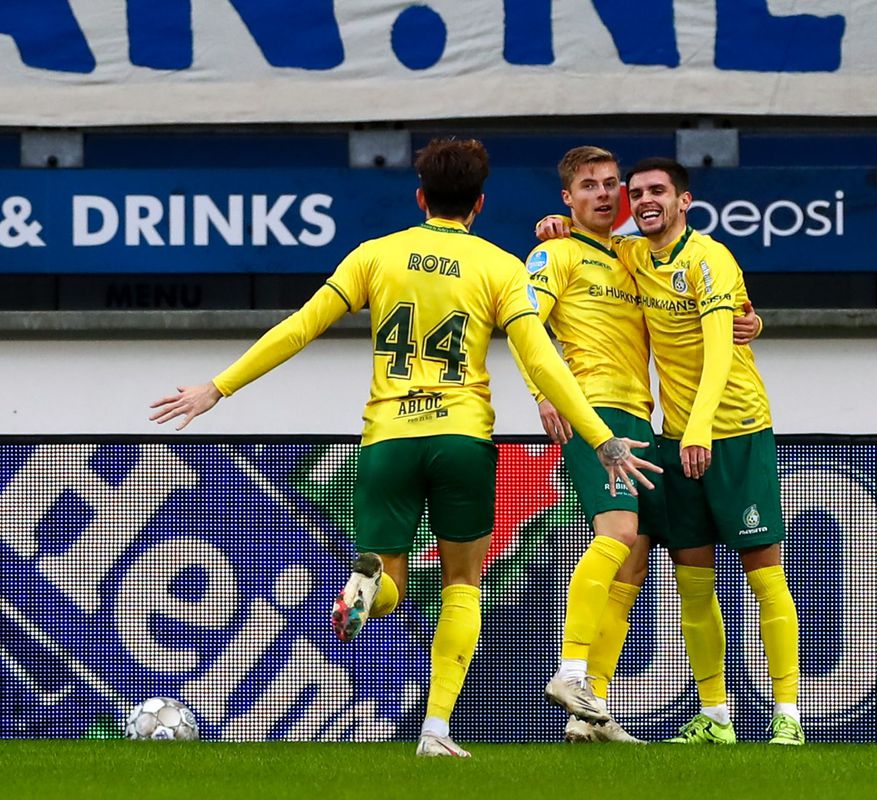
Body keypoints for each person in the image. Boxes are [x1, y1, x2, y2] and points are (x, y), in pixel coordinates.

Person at [149, 139, 660, 758]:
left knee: (391, 579)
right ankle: (436, 730)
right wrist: (602, 439)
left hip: (388, 437)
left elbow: (301, 326)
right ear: (479, 204)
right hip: (462, 439)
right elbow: (544, 363)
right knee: (462, 581)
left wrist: (217, 388)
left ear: (421, 197)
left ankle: (367, 587)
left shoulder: (376, 255)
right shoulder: (499, 266)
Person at [538, 156, 803, 746]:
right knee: (692, 580)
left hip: (733, 431)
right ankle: (717, 715)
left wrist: (702, 428)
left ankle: (788, 711)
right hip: (675, 436)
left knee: (763, 572)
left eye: (657, 190)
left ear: (685, 201)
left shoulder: (709, 259)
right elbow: (581, 251)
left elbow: (720, 353)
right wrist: (556, 227)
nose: (643, 199)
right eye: (636, 192)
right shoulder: (631, 255)